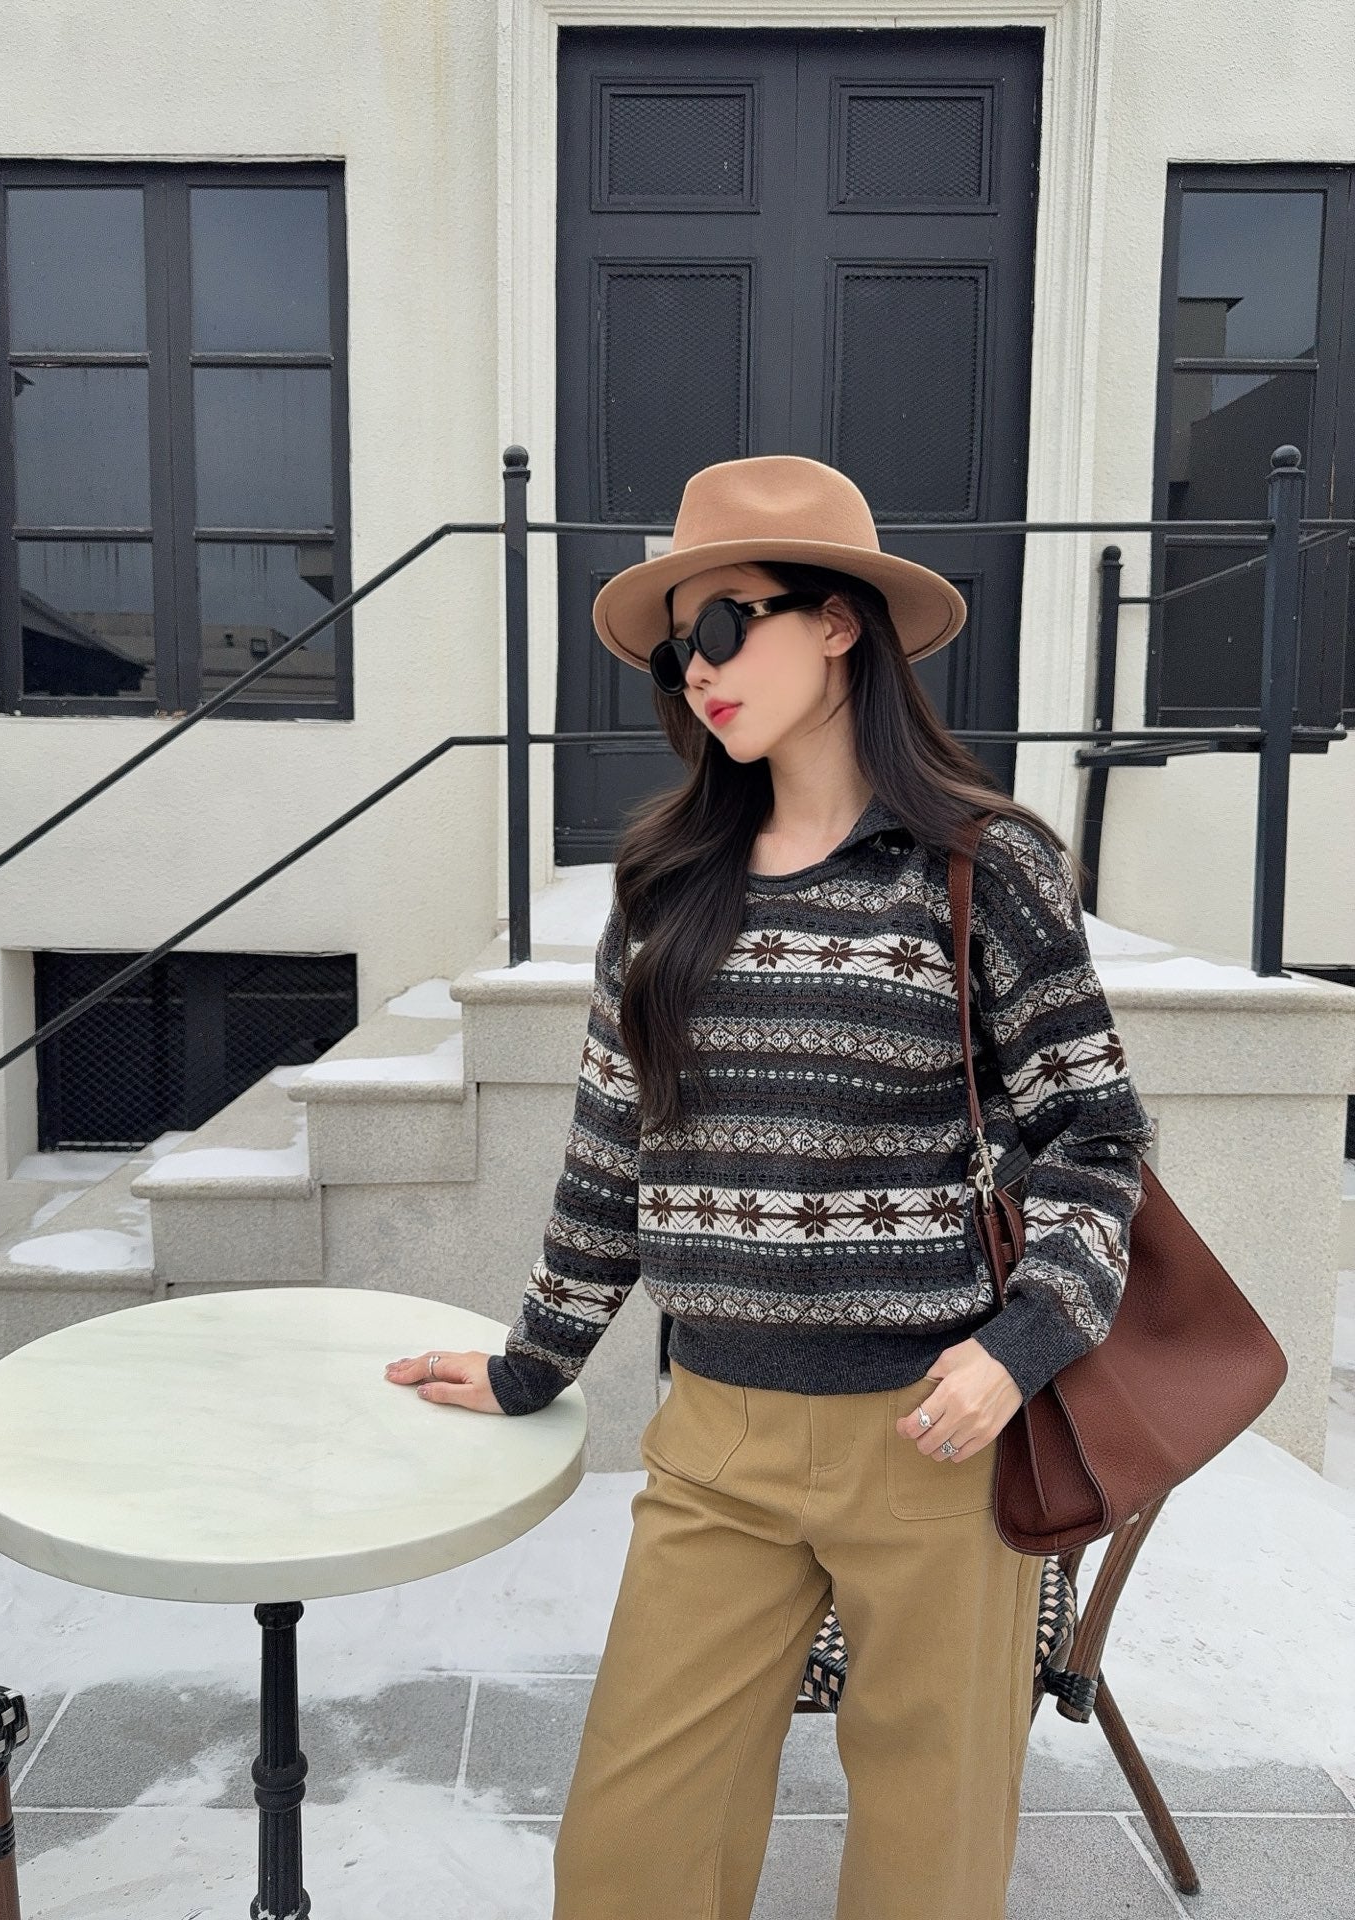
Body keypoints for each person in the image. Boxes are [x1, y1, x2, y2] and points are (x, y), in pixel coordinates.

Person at [383, 455, 1155, 1919]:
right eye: (680, 645)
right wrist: (534, 1361)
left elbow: (1097, 1138)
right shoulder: (664, 884)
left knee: (926, 1871)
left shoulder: (981, 867)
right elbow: (614, 1154)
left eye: (729, 623)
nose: (699, 666)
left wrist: (1021, 1347)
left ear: (841, 623)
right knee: (628, 1858)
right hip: (716, 1440)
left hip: (935, 1435)